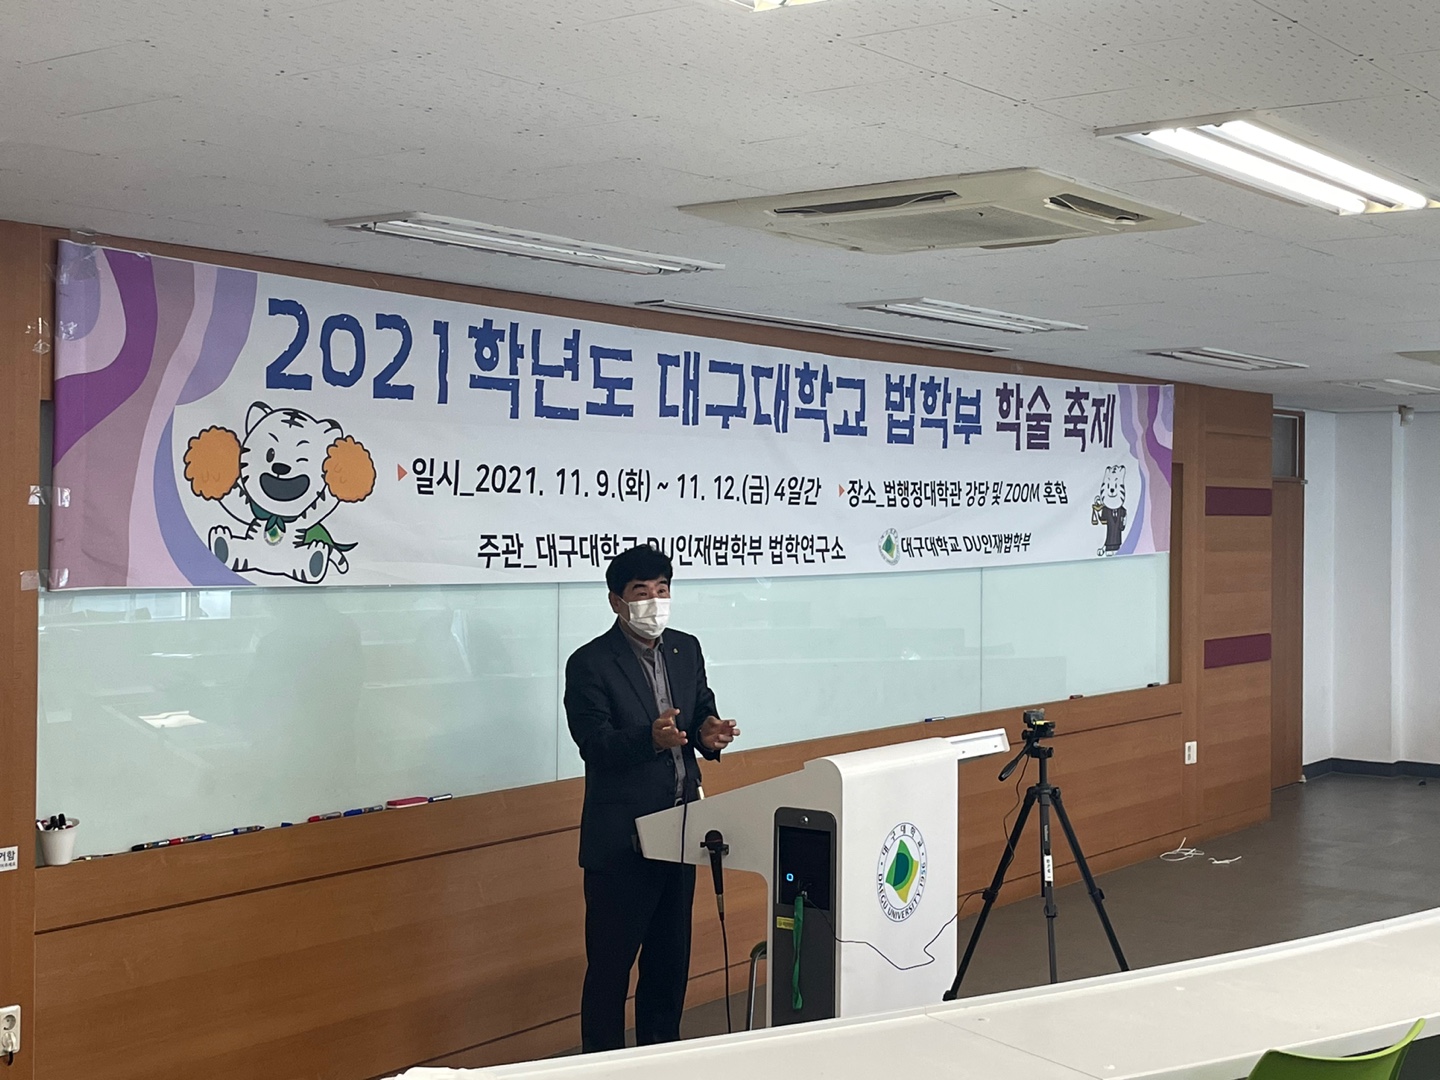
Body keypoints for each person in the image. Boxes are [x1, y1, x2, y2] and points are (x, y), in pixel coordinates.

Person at [564, 543, 740, 1053]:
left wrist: (709, 734)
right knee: (611, 969)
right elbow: (594, 744)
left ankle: (663, 1055)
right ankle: (601, 1063)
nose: (654, 602)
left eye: (662, 590)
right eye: (641, 592)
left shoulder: (686, 649)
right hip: (622, 841)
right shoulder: (590, 663)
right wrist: (650, 739)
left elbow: (700, 711)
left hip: (681, 831)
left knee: (669, 962)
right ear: (617, 601)